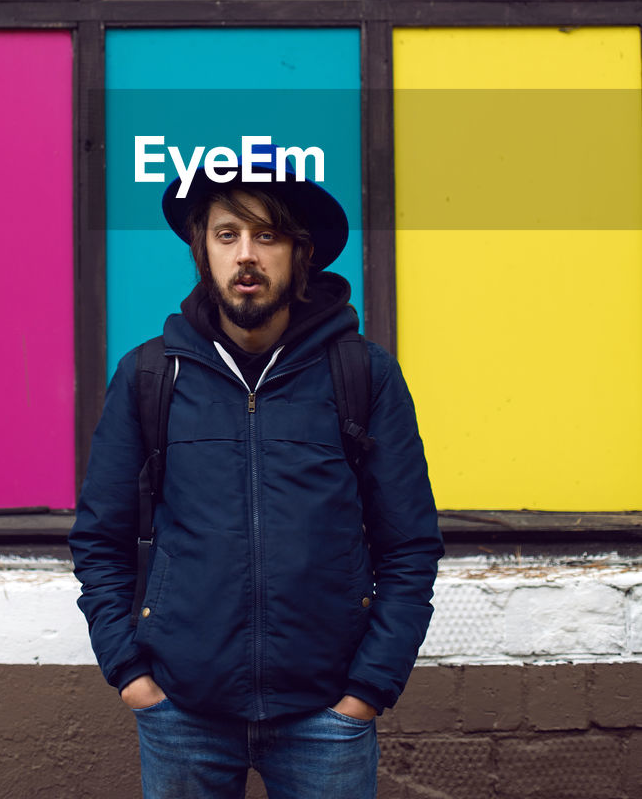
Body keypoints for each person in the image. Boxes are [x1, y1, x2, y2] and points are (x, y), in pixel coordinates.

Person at [70, 147, 443, 799]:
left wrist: (366, 691)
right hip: (180, 715)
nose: (246, 254)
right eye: (227, 234)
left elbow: (408, 547)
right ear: (201, 249)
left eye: (266, 235)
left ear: (299, 254)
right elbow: (99, 540)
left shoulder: (361, 374)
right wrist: (133, 677)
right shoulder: (150, 376)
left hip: (327, 718)